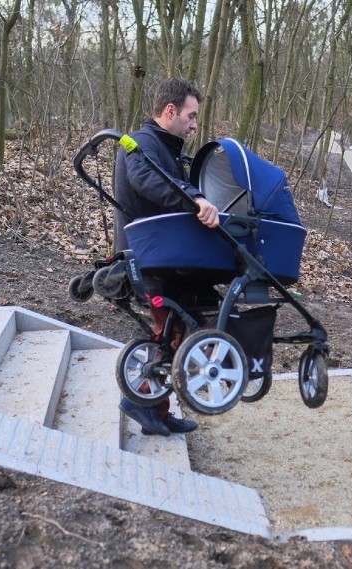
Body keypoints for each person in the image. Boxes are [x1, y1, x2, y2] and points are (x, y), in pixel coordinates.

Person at [114, 76, 220, 437]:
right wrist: (194, 200)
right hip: (151, 257)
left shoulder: (164, 148)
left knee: (172, 332)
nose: (194, 125)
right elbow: (149, 181)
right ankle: (142, 401)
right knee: (172, 333)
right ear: (170, 110)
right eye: (191, 116)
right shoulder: (142, 145)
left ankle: (155, 408)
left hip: (165, 255)